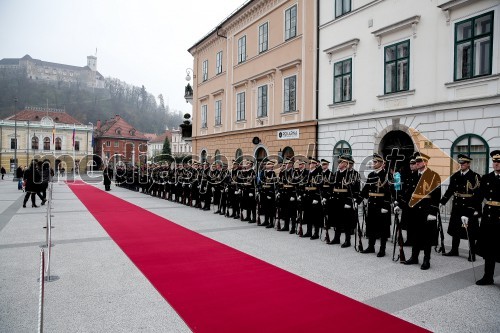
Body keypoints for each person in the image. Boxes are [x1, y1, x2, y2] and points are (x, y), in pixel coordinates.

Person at [401, 152, 441, 270]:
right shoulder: (413, 175)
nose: (417, 163)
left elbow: (437, 195)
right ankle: (414, 257)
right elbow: (408, 193)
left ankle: (426, 259)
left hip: (426, 210)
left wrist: (433, 212)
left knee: (426, 236)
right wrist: (400, 204)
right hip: (414, 210)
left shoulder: (433, 175)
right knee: (414, 234)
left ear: (426, 162)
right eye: (416, 161)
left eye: (419, 161)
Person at [440, 154, 481, 261]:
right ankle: (454, 249)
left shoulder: (475, 177)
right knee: (455, 229)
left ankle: (472, 253)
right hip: (457, 206)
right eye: (460, 163)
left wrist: (475, 209)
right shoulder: (455, 176)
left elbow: (478, 195)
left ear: (468, 164)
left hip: (469, 206)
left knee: (470, 231)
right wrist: (442, 202)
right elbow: (450, 190)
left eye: (463, 163)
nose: (461, 165)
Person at [357, 153, 392, 257]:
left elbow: (390, 192)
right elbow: (365, 189)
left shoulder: (386, 175)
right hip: (372, 204)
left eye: (376, 162)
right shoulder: (371, 175)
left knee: (382, 228)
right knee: (371, 226)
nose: (374, 163)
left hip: (381, 205)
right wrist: (358, 200)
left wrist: (386, 206)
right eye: (373, 162)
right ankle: (371, 246)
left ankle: (382, 249)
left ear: (381, 163)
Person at [474, 150, 500, 285]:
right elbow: (478, 196)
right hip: (489, 218)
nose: (496, 164)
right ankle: (488, 276)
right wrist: (475, 212)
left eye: (499, 162)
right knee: (489, 249)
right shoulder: (487, 178)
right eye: (495, 161)